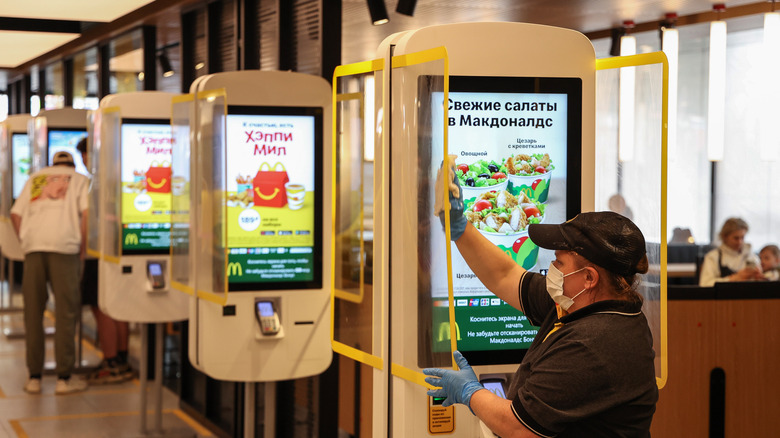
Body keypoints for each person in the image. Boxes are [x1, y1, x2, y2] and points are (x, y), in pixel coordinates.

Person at [424, 158, 658, 437]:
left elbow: (520, 428)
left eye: (560, 262)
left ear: (589, 278)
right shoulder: (580, 304)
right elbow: (505, 275)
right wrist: (459, 226)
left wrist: (470, 393)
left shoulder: (594, 343)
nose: (552, 270)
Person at [11, 151, 90, 395]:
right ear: (72, 165)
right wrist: (83, 250)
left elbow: (15, 214)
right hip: (65, 249)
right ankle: (63, 379)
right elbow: (86, 215)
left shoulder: (36, 180)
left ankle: (34, 377)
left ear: (52, 164)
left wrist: (25, 240)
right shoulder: (79, 179)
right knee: (66, 313)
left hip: (34, 249)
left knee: (33, 312)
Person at [75, 138, 134, 384]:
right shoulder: (117, 177)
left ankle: (111, 362)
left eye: (87, 155)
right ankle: (121, 359)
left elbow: (88, 220)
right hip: (117, 251)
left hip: (97, 253)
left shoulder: (95, 183)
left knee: (101, 307)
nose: (85, 160)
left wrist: (82, 251)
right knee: (118, 305)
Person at [698, 218, 763, 287]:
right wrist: (734, 278)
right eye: (736, 238)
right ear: (724, 237)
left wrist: (758, 277)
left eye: (742, 238)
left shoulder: (750, 255)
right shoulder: (713, 257)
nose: (740, 242)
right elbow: (704, 284)